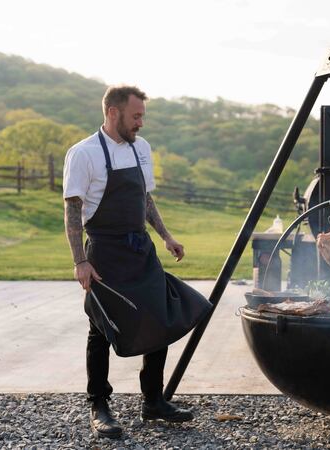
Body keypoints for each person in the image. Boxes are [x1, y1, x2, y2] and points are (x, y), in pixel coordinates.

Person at [63, 85, 211, 439]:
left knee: (160, 316)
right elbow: (72, 209)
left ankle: (153, 401)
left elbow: (144, 198)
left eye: (142, 115)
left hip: (140, 250)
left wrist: (166, 235)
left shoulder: (141, 149)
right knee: (101, 327)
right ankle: (99, 406)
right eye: (136, 116)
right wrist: (80, 261)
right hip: (104, 251)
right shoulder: (83, 154)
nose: (141, 122)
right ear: (113, 112)